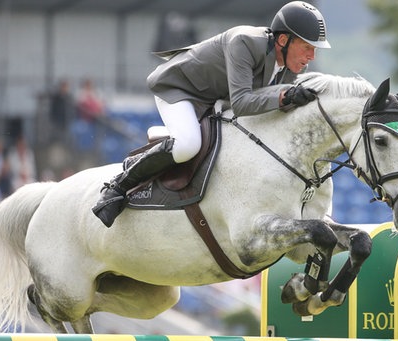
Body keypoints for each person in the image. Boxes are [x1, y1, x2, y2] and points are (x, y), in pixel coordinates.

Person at [92, 1, 331, 227]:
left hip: (215, 99)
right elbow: (242, 103)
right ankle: (117, 188)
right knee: (188, 144)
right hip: (180, 89)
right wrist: (285, 96)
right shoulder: (245, 42)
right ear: (282, 40)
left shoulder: (291, 66)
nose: (312, 57)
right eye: (308, 47)